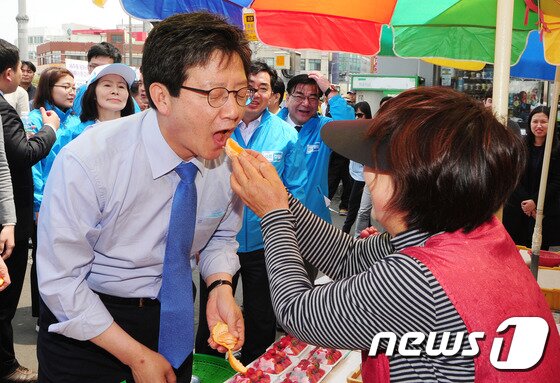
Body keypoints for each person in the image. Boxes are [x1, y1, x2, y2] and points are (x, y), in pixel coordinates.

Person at [230, 87, 560, 381]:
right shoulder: (468, 233)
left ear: (415, 180)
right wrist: (280, 197)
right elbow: (350, 257)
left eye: (377, 162)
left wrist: (272, 214)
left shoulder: (421, 278)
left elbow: (297, 311)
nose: (368, 172)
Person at [36, 12, 251, 383]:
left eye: (240, 93)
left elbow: (220, 235)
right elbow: (61, 280)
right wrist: (135, 356)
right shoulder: (89, 162)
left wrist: (219, 286)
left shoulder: (229, 159)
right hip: (88, 323)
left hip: (174, 319)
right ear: (161, 96)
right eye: (215, 95)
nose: (233, 111)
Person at [196, 61, 306, 364]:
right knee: (215, 310)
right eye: (249, 87)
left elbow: (294, 188)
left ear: (273, 95)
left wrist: (288, 234)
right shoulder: (216, 128)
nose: (255, 94)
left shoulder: (286, 134)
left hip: (263, 241)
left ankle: (258, 368)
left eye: (263, 89)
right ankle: (208, 366)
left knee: (261, 313)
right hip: (217, 242)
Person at [0, 38, 59, 383]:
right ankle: (7, 365)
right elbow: (18, 156)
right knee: (6, 295)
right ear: (9, 73)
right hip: (12, 218)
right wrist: (50, 130)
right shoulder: (4, 109)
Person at [277, 72, 354, 282]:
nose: (306, 103)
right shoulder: (272, 128)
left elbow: (349, 127)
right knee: (266, 291)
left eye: (313, 97)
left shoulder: (323, 128)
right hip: (270, 223)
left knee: (303, 285)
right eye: (299, 95)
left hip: (311, 225)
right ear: (287, 97)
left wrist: (330, 91)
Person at [503, 106, 560, 250]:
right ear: (529, 123)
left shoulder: (557, 149)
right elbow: (512, 175)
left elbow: (557, 181)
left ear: (551, 123)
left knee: (540, 252)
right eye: (535, 121)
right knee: (516, 251)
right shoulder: (520, 146)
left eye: (544, 121)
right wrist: (527, 203)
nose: (539, 125)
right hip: (518, 209)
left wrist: (535, 202)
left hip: (546, 209)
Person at [74, 63, 136, 136]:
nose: (115, 91)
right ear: (93, 93)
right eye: (107, 85)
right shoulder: (74, 135)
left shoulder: (138, 133)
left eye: (121, 86)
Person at [341, 101, 372, 234]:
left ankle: (345, 233)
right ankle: (369, 235)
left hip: (363, 176)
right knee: (363, 210)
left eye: (360, 115)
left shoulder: (371, 131)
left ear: (367, 115)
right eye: (355, 115)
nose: (357, 118)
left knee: (355, 207)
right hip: (352, 172)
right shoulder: (354, 128)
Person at [72, 42, 122, 117]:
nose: (98, 71)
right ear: (88, 67)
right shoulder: (79, 93)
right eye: (94, 67)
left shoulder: (122, 96)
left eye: (104, 68)